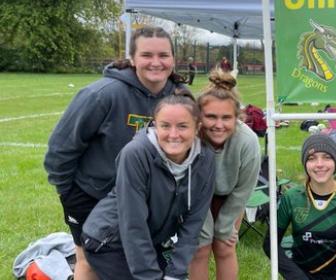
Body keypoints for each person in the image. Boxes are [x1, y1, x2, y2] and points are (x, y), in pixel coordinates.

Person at [43, 26, 183, 280]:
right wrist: (69, 193)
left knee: (135, 258)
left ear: (173, 58)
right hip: (91, 194)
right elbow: (60, 149)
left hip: (142, 199)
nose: (156, 62)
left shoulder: (180, 98)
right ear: (132, 58)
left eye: (163, 55)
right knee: (88, 257)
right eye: (146, 55)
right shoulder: (102, 94)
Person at [80, 93, 215, 279]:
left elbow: (194, 221)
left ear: (197, 127)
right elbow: (133, 223)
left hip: (152, 239)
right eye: (165, 126)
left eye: (183, 126)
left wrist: (176, 272)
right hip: (108, 240)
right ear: (155, 125)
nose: (173, 134)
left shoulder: (206, 158)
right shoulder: (135, 154)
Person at [188, 69, 261, 279]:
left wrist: (225, 226)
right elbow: (188, 186)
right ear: (199, 116)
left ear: (237, 117)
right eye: (211, 117)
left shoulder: (247, 141)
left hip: (229, 196)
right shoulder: (191, 138)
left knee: (224, 246)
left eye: (226, 118)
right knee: (199, 248)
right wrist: (206, 230)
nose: (218, 125)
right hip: (195, 196)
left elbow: (243, 190)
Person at [264, 134, 336, 280]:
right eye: (312, 158)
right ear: (305, 164)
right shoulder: (292, 198)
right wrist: (297, 276)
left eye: (326, 157)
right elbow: (270, 244)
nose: (319, 164)